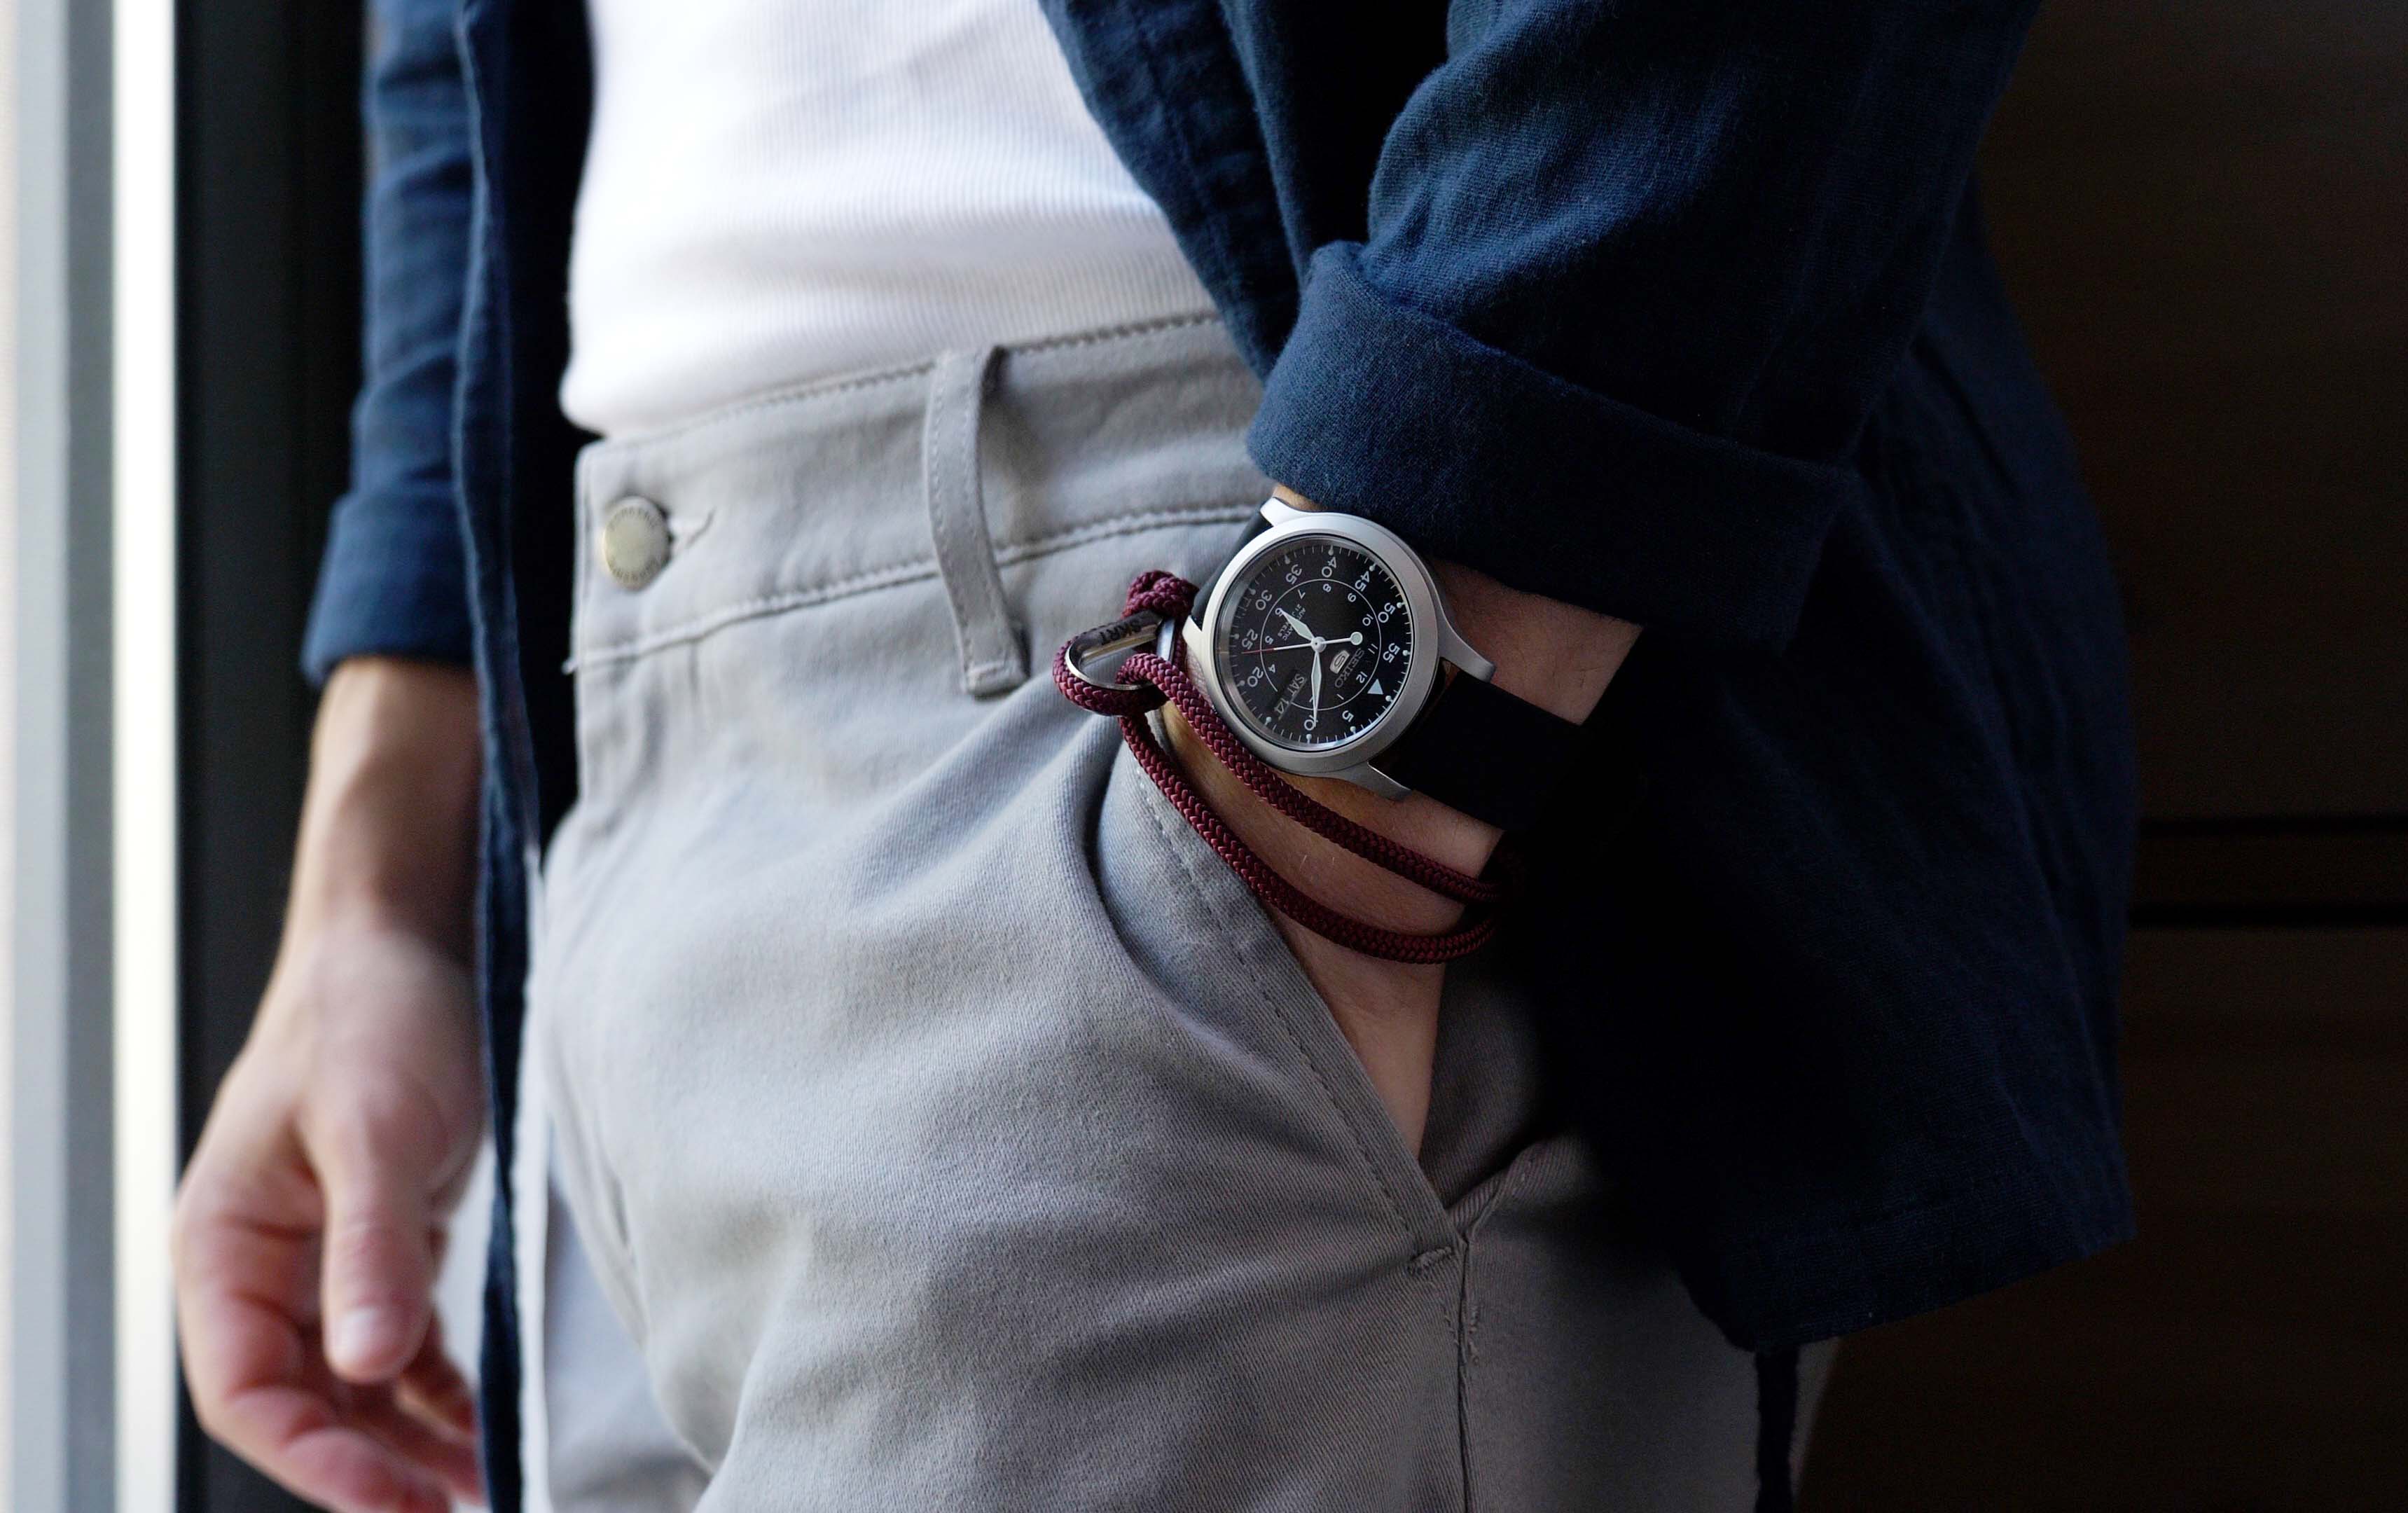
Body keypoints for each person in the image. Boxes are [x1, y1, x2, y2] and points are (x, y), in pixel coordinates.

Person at [172, 0, 2140, 1509]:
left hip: (1219, 592)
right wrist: (381, 880)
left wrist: (1356, 771)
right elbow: (462, 69)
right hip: (616, 745)